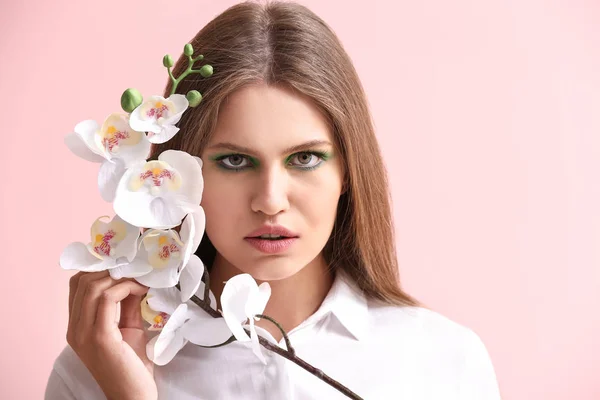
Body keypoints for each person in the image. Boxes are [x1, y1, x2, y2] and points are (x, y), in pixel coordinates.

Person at [45, 1, 502, 399]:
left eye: (304, 158)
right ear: (175, 175)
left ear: (347, 171)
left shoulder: (445, 361)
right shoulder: (101, 369)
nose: (270, 201)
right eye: (235, 161)